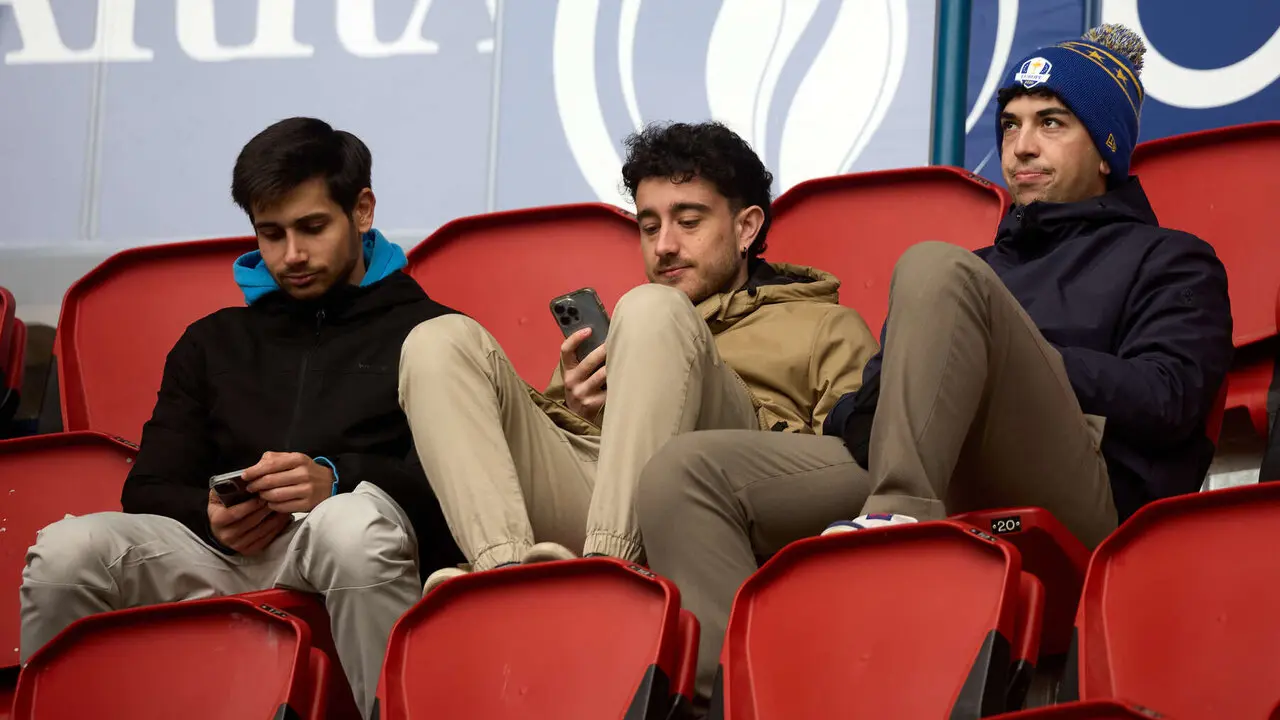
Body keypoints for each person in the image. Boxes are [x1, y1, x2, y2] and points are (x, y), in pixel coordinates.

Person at [634, 24, 1233, 704]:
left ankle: (898, 535)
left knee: (934, 266)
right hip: (932, 465)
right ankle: (739, 699)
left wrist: (1009, 358)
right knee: (684, 473)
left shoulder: (1172, 259)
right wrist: (893, 396)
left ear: (1106, 150)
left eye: (1051, 123)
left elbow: (1168, 399)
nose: (1021, 146)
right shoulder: (977, 270)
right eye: (1009, 126)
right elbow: (870, 404)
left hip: (1082, 491)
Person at [19, 117, 462, 719]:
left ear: (362, 211)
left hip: (358, 541)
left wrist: (337, 479)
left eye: (312, 228)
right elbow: (148, 488)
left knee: (352, 526)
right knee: (65, 551)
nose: (291, 255)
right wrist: (209, 515)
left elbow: (456, 494)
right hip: (220, 552)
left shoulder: (433, 332)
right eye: (270, 234)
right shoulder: (211, 342)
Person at [398, 121, 878, 587]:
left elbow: (851, 469)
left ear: (746, 227)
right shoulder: (626, 329)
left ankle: (613, 575)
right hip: (598, 502)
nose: (664, 246)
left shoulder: (824, 324)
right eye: (649, 227)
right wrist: (576, 411)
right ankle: (498, 577)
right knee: (436, 341)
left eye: (688, 222)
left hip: (725, 497)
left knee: (654, 309)